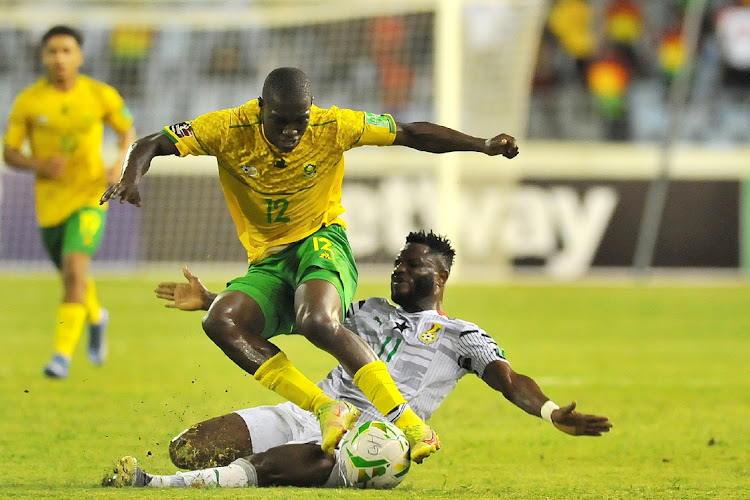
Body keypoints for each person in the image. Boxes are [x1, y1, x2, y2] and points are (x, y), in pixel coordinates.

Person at [99, 66, 519, 461]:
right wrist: (131, 176)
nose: (290, 131)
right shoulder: (226, 128)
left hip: (322, 241)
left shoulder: (333, 124)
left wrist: (481, 145)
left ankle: (409, 424)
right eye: (280, 120)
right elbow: (151, 142)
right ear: (260, 108)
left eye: (299, 121)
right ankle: (324, 409)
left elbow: (410, 133)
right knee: (221, 320)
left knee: (318, 320)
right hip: (269, 258)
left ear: (310, 110)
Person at [104, 230, 612, 489]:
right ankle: (187, 471)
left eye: (411, 266)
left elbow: (508, 378)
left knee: (285, 464)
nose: (398, 271)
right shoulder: (363, 309)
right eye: (397, 262)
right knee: (189, 447)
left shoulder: (461, 336)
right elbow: (299, 313)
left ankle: (155, 486)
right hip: (313, 409)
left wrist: (548, 411)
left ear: (438, 279)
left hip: (372, 438)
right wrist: (215, 298)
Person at [2, 25, 136, 378]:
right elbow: (10, 153)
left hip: (91, 195)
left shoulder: (99, 94)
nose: (59, 58)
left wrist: (119, 163)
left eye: (66, 51)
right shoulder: (29, 101)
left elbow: (127, 131)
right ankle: (96, 317)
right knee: (71, 277)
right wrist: (39, 164)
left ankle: (60, 357)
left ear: (79, 56)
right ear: (43, 56)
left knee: (76, 270)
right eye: (52, 51)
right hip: (50, 202)